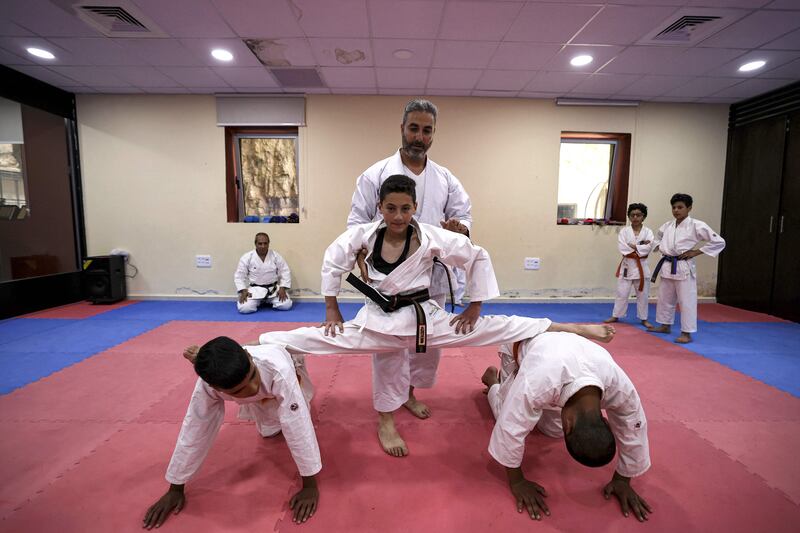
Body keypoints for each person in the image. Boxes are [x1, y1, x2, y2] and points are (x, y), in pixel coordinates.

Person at [259, 175, 615, 457]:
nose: (398, 216)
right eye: (391, 208)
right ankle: (263, 345)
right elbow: (332, 261)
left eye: (405, 208)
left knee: (495, 327)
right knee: (318, 339)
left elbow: (477, 256)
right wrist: (331, 307)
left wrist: (476, 305)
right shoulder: (362, 235)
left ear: (415, 207)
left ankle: (569, 326)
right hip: (378, 322)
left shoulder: (431, 236)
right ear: (379, 207)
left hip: (425, 319)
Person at [347, 98, 472, 447]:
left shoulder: (446, 178)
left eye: (426, 130)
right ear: (402, 128)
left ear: (433, 134)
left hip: (431, 276)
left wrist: (459, 228)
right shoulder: (375, 175)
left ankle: (411, 393)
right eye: (413, 128)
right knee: (388, 346)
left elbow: (464, 215)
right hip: (389, 277)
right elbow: (356, 223)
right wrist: (362, 254)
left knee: (425, 343)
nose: (419, 136)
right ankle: (386, 416)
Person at [142, 337, 320, 529]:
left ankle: (216, 359)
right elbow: (195, 429)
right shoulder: (207, 387)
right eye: (240, 390)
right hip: (257, 380)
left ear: (248, 356)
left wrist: (310, 485)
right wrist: (176, 487)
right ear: (216, 389)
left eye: (251, 377)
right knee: (269, 431)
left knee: (300, 411)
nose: (252, 388)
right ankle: (204, 358)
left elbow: (298, 425)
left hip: (286, 363)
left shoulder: (280, 371)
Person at [481, 332, 652, 522]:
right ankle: (493, 382)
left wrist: (623, 479)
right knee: (504, 412)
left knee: (552, 430)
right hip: (521, 342)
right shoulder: (535, 383)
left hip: (561, 360)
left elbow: (634, 425)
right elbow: (509, 427)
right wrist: (518, 482)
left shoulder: (619, 387)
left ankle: (543, 402)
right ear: (604, 421)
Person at [647, 193, 726, 343]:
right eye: (674, 207)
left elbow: (719, 242)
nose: (676, 210)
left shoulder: (697, 225)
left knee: (686, 301)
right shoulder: (667, 225)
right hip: (667, 264)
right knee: (665, 298)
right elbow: (657, 239)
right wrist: (659, 246)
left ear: (689, 208)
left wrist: (696, 251)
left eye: (680, 207)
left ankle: (686, 332)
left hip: (683, 266)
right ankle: (665, 325)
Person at [605, 203, 654, 327]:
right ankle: (616, 315)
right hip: (627, 265)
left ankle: (644, 318)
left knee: (643, 295)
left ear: (644, 216)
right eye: (632, 215)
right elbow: (622, 247)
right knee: (622, 293)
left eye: (638, 215)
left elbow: (649, 247)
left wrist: (635, 246)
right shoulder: (624, 231)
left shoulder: (648, 232)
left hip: (642, 267)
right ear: (629, 217)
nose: (635, 217)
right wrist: (639, 247)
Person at [234, 232, 293, 313]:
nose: (263, 246)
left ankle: (267, 301)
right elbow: (239, 276)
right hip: (255, 290)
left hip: (273, 289)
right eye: (260, 243)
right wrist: (243, 290)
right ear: (255, 244)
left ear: (269, 243)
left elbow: (285, 271)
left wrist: (283, 288)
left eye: (265, 243)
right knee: (244, 308)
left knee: (286, 305)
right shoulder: (247, 257)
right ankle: (259, 301)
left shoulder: (275, 256)